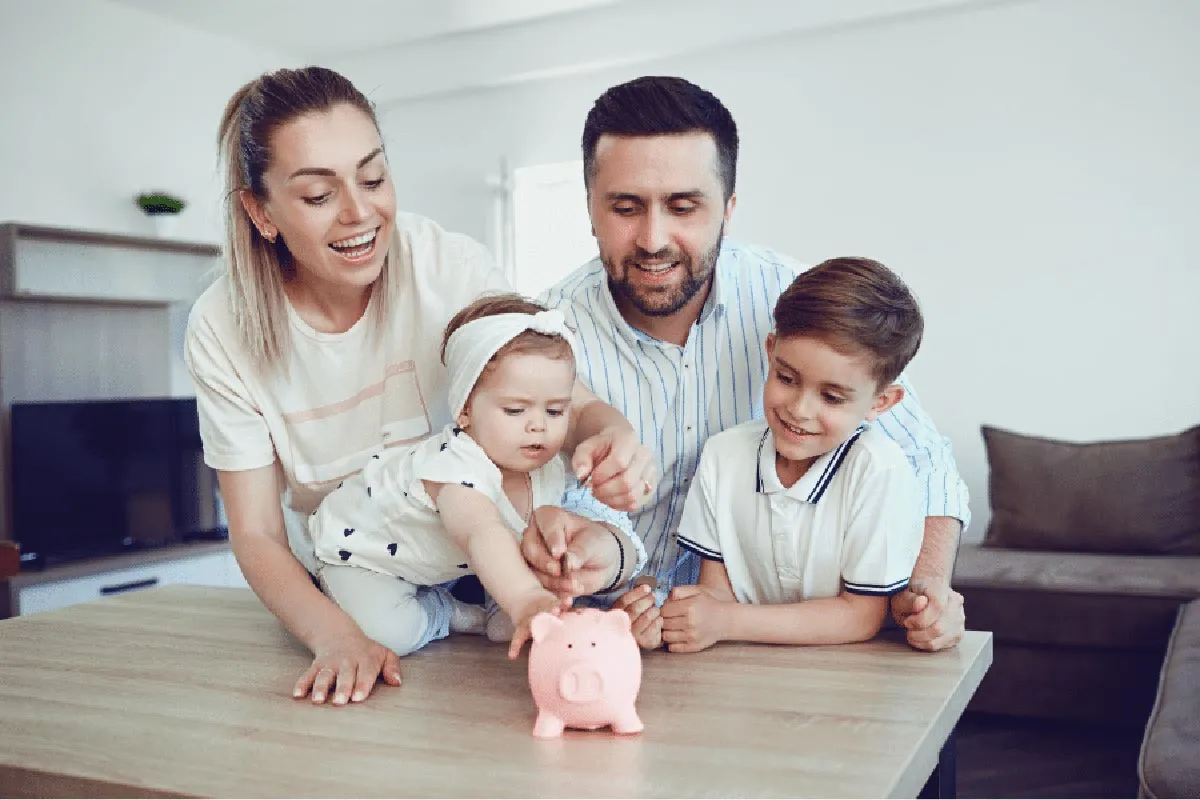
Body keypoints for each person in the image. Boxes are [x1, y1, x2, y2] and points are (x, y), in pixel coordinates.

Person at [185, 66, 653, 707]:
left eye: (373, 178)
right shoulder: (223, 328)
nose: (360, 212)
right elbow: (257, 532)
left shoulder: (448, 266)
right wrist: (336, 638)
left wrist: (611, 432)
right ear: (260, 212)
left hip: (474, 558)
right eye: (319, 196)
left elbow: (550, 392)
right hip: (360, 571)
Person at [526, 75, 969, 652]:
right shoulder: (545, 334)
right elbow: (545, 499)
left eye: (684, 207)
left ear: (728, 210)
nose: (654, 239)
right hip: (604, 641)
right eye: (626, 207)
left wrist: (930, 585)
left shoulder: (790, 301)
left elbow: (924, 458)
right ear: (590, 209)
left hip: (774, 640)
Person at [311, 294, 632, 659]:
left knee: (511, 619)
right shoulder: (455, 465)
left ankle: (493, 606)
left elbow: (520, 542)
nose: (538, 426)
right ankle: (445, 613)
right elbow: (482, 532)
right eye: (515, 409)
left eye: (556, 410)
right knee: (387, 635)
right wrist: (525, 597)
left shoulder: (549, 468)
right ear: (464, 409)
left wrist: (549, 588)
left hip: (443, 563)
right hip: (361, 554)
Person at [646, 257, 926, 651]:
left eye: (831, 396)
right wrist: (676, 617)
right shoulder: (723, 455)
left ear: (881, 401)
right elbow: (716, 592)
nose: (799, 409)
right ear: (771, 351)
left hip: (845, 681)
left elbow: (862, 614)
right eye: (786, 378)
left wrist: (725, 621)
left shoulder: (878, 470)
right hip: (740, 673)